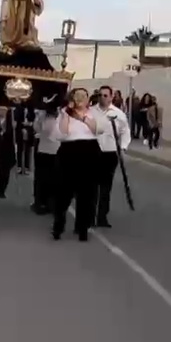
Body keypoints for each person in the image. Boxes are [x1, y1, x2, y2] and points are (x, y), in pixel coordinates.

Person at [50, 88, 107, 242]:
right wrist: (68, 113)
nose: (81, 98)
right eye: (78, 95)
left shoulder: (93, 113)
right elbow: (61, 134)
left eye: (84, 96)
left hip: (89, 152)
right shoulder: (64, 112)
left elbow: (99, 129)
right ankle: (58, 226)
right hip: (69, 152)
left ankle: (82, 228)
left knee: (87, 194)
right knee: (63, 193)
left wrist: (83, 118)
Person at [94, 86, 131, 229]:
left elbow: (125, 132)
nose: (103, 98)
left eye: (105, 95)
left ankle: (102, 217)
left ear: (111, 97)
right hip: (93, 153)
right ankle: (89, 216)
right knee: (92, 187)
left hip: (110, 153)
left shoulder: (118, 114)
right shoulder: (91, 112)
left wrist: (123, 147)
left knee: (105, 187)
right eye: (100, 95)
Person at [31, 102, 60, 215]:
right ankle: (39, 203)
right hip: (43, 150)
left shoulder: (62, 114)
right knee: (41, 179)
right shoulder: (43, 115)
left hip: (56, 150)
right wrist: (39, 118)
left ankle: (51, 203)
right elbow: (38, 129)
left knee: (53, 180)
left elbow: (49, 131)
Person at [12, 106, 34, 175]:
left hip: (29, 130)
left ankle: (27, 167)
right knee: (19, 149)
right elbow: (15, 120)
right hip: (20, 129)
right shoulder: (18, 109)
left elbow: (34, 119)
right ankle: (19, 166)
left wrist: (30, 124)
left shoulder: (31, 109)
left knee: (28, 150)